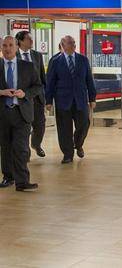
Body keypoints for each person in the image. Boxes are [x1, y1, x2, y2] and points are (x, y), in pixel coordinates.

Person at [45, 36, 96, 164]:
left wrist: (92, 98)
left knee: (84, 124)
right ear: (63, 44)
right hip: (63, 100)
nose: (73, 45)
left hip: (80, 100)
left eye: (74, 43)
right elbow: (50, 82)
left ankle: (78, 144)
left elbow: (89, 80)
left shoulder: (83, 60)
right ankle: (68, 154)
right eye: (70, 43)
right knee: (64, 129)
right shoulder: (55, 61)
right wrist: (48, 101)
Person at [0, 35, 41, 191]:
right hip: (3, 113)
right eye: (4, 45)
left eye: (10, 45)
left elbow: (38, 87)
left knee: (21, 147)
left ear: (16, 47)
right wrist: (1, 92)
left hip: (22, 113)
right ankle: (8, 177)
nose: (8, 48)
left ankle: (22, 182)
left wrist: (25, 94)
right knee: (5, 147)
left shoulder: (28, 66)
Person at [15, 31, 47, 158]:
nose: (32, 41)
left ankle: (36, 144)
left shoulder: (37, 56)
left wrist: (45, 97)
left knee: (40, 125)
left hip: (37, 98)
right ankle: (25, 151)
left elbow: (42, 78)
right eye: (29, 39)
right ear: (20, 41)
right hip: (22, 99)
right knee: (24, 127)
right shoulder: (14, 56)